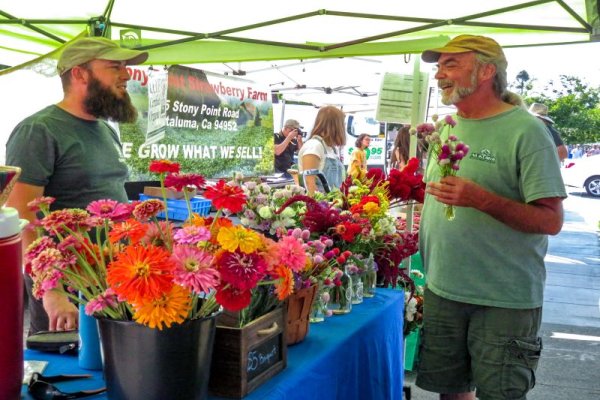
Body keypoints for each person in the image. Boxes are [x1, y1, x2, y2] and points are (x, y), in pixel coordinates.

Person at [417, 35, 566, 400]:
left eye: (451, 65)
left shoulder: (528, 131)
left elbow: (551, 221)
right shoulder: (448, 127)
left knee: (502, 394)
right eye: (438, 67)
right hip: (443, 289)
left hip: (503, 300)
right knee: (450, 391)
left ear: (486, 71)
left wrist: (482, 200)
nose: (439, 76)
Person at [6, 36, 148, 335]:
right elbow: (22, 217)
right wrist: (51, 291)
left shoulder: (105, 130)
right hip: (68, 286)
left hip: (111, 276)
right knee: (71, 373)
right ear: (79, 73)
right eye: (115, 66)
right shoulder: (39, 130)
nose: (126, 74)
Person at [297, 105, 346, 194]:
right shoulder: (314, 146)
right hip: (322, 205)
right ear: (335, 125)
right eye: (343, 124)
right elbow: (309, 184)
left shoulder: (330, 149)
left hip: (333, 203)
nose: (344, 128)